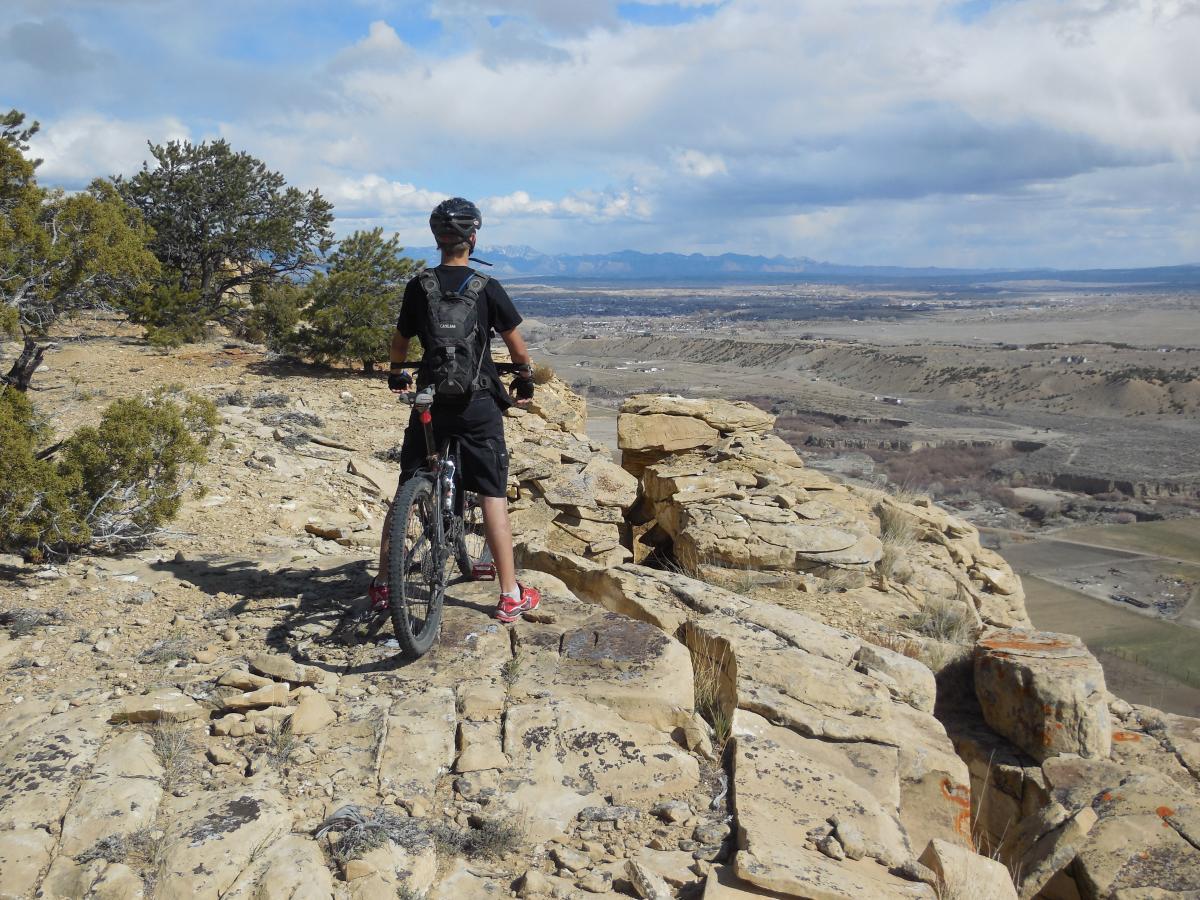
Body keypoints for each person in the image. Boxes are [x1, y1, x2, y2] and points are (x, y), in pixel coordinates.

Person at [370, 197, 541, 624]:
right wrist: (524, 377)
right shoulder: (487, 287)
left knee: (408, 483)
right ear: (473, 238)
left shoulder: (418, 286)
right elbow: (516, 345)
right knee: (492, 496)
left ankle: (383, 583)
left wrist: (396, 372)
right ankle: (509, 594)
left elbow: (400, 340)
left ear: (436, 239)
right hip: (477, 402)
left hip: (430, 399)